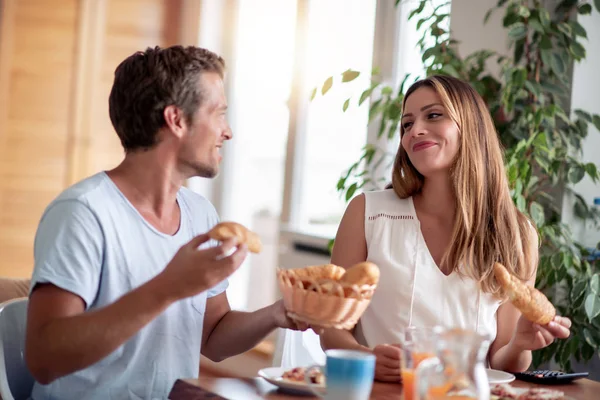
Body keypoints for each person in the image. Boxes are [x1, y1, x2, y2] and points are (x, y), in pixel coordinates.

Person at [25, 45, 302, 400]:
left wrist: (278, 313)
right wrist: (170, 286)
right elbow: (45, 359)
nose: (228, 131)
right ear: (177, 120)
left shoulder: (201, 214)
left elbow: (214, 338)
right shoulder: (83, 213)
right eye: (218, 114)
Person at [320, 75, 571, 382]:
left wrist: (520, 343)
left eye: (434, 115)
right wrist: (366, 357)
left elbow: (501, 363)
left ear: (471, 127)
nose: (416, 130)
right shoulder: (367, 212)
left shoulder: (517, 234)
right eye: (407, 124)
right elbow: (332, 328)